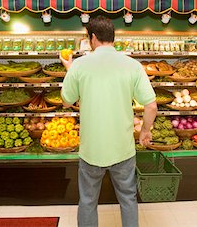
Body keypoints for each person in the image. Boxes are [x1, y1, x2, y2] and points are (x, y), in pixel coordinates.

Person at [59, 16, 157, 227]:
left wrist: (70, 69)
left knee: (87, 201)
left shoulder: (80, 65)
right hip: (123, 149)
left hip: (91, 150)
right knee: (128, 199)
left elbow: (67, 101)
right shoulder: (132, 65)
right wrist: (145, 132)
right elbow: (151, 106)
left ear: (92, 38)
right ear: (113, 37)